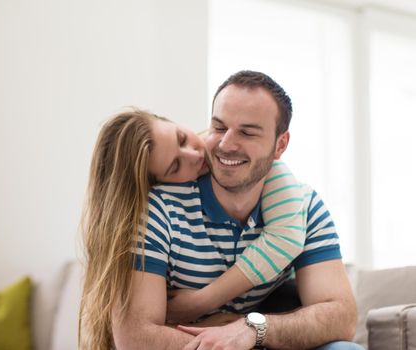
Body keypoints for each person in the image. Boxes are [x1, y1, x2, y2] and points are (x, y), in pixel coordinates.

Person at [111, 70, 361, 349]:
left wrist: (250, 331)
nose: (226, 144)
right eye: (219, 127)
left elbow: (341, 318)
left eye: (247, 132)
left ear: (280, 145)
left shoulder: (303, 205)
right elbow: (135, 336)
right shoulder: (159, 209)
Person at [79, 107, 309, 349]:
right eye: (175, 166)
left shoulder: (266, 168)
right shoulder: (159, 214)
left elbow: (288, 238)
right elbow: (140, 334)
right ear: (159, 187)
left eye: (181, 138)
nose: (194, 154)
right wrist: (214, 327)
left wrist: (202, 302)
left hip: (274, 306)